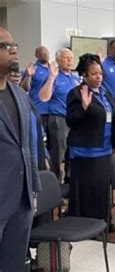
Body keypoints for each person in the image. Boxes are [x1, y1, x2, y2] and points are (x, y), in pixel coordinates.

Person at [0, 27, 41, 271]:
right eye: (4, 46)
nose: (13, 50)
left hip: (21, 200)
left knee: (15, 264)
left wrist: (33, 189)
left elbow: (28, 146)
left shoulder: (19, 94)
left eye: (13, 44)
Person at [66, 53, 115, 233]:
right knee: (87, 190)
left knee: (102, 189)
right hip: (85, 150)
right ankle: (85, 226)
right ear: (84, 75)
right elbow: (71, 121)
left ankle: (103, 221)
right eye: (94, 74)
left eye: (100, 73)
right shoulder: (75, 93)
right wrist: (83, 108)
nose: (98, 77)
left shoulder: (105, 92)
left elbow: (114, 119)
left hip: (104, 148)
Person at [38, 48, 79, 180]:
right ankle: (55, 183)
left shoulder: (75, 78)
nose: (69, 60)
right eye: (66, 58)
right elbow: (44, 97)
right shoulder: (53, 77)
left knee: (72, 153)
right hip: (59, 119)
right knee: (58, 154)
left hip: (74, 119)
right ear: (57, 60)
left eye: (71, 58)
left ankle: (69, 182)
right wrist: (51, 78)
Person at [20, 46, 50, 129]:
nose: (45, 55)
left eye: (46, 53)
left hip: (53, 111)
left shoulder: (53, 68)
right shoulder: (33, 68)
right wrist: (29, 76)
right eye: (42, 54)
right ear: (36, 55)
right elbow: (24, 88)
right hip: (39, 110)